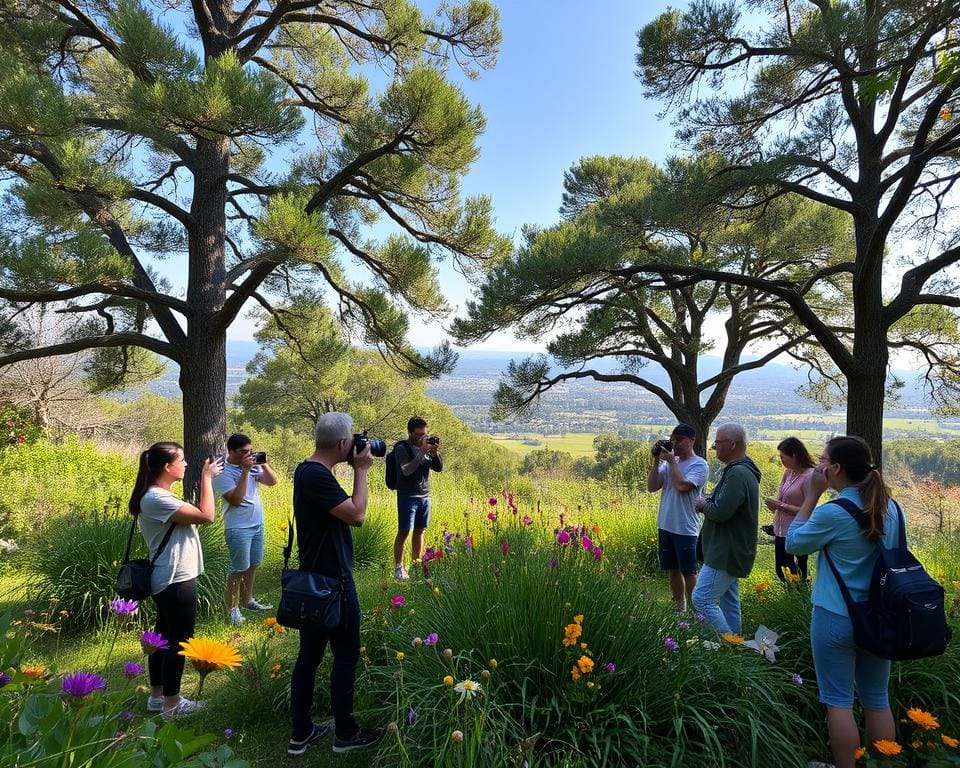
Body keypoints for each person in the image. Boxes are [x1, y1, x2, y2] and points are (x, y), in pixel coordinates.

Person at [786, 436, 899, 768]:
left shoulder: (834, 512)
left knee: (838, 701)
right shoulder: (890, 507)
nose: (819, 466)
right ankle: (883, 764)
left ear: (835, 468)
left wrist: (811, 496)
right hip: (881, 616)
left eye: (823, 460)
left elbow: (793, 543)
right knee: (877, 698)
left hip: (836, 616)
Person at [288, 412, 385, 757]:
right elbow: (357, 514)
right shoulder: (317, 476)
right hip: (334, 584)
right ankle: (345, 733)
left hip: (315, 580)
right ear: (343, 444)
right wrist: (361, 470)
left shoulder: (307, 469)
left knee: (309, 656)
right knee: (345, 656)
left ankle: (301, 732)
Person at [129, 442, 221, 718]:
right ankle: (172, 704)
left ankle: (157, 698)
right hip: (175, 577)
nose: (186, 464)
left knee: (162, 637)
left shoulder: (156, 496)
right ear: (167, 467)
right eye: (181, 460)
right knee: (180, 640)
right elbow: (207, 516)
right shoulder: (156, 498)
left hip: (167, 576)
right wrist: (206, 479)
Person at [692, 423, 761, 634]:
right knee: (729, 601)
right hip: (730, 549)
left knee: (702, 599)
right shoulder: (741, 470)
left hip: (726, 551)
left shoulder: (738, 474)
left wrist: (704, 505)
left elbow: (722, 512)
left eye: (718, 442)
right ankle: (736, 649)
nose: (714, 447)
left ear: (732, 444)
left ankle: (727, 646)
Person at [213, 432, 278, 625]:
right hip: (238, 527)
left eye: (250, 450)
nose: (248, 455)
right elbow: (235, 499)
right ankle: (231, 610)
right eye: (243, 451)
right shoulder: (221, 472)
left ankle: (248, 600)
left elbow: (272, 482)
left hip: (257, 523)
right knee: (238, 568)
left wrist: (263, 462)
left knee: (253, 564)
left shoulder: (251, 464)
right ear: (231, 451)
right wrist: (246, 472)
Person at [647, 423, 709, 611]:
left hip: (685, 527)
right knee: (672, 569)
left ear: (692, 440)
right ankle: (679, 608)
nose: (676, 444)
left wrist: (672, 462)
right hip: (666, 523)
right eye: (673, 440)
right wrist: (657, 461)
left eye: (680, 440)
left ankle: (695, 610)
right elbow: (652, 487)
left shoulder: (699, 464)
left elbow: (683, 487)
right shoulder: (668, 463)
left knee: (689, 571)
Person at [392, 417, 442, 580]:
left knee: (420, 531)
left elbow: (438, 468)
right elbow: (406, 470)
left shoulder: (427, 449)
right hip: (408, 496)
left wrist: (434, 453)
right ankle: (399, 567)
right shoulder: (402, 447)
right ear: (410, 433)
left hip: (424, 496)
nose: (423, 437)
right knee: (404, 531)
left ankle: (415, 564)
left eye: (425, 434)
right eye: (419, 434)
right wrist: (421, 452)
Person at [764, 436, 818, 582]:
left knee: (796, 573)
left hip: (797, 530)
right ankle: (791, 599)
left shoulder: (810, 476)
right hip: (780, 530)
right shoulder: (789, 472)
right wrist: (773, 504)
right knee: (781, 571)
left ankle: (801, 599)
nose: (781, 461)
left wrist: (780, 506)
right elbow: (782, 497)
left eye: (783, 457)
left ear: (794, 455)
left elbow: (808, 509)